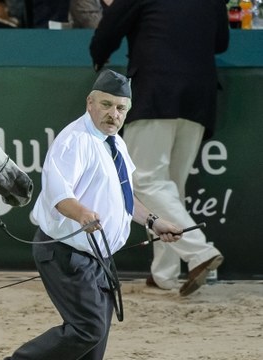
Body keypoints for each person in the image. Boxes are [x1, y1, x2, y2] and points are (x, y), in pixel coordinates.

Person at [0, 70, 184, 360]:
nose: (113, 114)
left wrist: (154, 222)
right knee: (88, 327)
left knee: (95, 336)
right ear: (90, 103)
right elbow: (57, 194)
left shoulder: (115, 142)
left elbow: (125, 198)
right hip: (64, 251)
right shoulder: (74, 140)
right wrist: (82, 214)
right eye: (106, 105)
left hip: (97, 256)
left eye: (121, 108)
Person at [90, 0, 229, 296]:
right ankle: (164, 274)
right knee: (170, 189)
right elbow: (222, 42)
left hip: (156, 91)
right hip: (199, 95)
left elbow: (108, 30)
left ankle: (200, 253)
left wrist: (98, 58)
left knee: (142, 180)